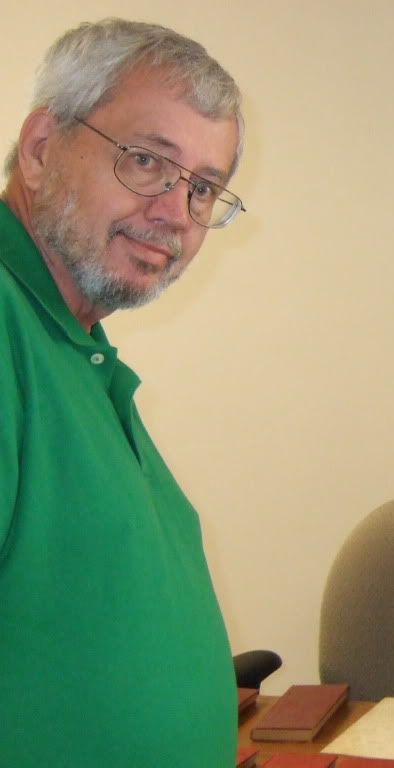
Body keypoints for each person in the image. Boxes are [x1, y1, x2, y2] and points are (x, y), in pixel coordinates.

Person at [0, 19, 246, 766]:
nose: (175, 212)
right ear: (42, 149)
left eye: (203, 188)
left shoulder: (74, 346)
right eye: (146, 161)